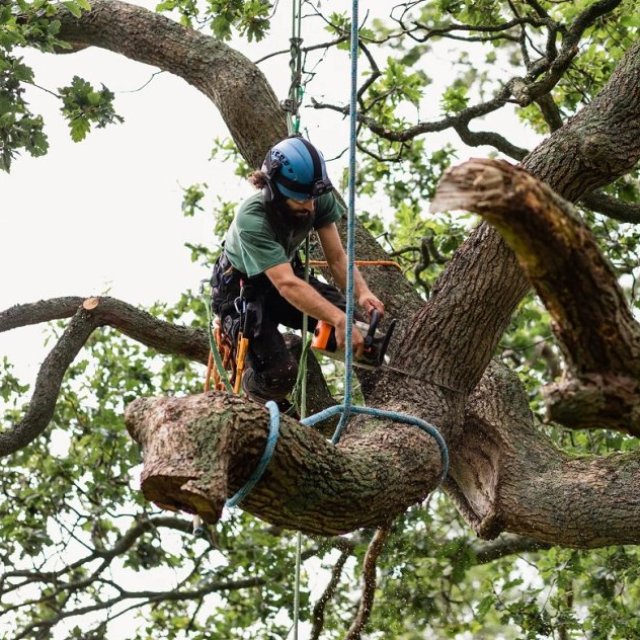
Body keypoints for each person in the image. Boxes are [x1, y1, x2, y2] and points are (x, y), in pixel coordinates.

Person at [211, 134, 384, 405]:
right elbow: (287, 285)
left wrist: (361, 293)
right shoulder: (252, 219)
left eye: (313, 198)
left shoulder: (315, 195)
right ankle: (254, 387)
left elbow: (337, 258)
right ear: (273, 191)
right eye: (301, 199)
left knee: (357, 327)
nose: (310, 205)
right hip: (242, 291)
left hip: (285, 276)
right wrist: (337, 319)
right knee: (279, 372)